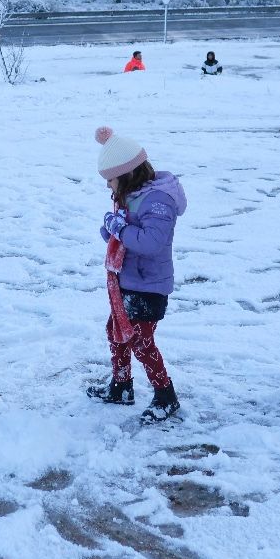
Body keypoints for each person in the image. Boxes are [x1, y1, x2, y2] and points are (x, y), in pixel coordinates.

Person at [86, 125, 188, 424]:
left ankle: (166, 395)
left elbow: (151, 242)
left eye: (110, 180)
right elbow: (120, 235)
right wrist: (111, 227)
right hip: (127, 280)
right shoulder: (132, 195)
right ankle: (121, 386)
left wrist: (122, 228)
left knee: (141, 341)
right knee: (116, 333)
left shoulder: (158, 201)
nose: (108, 187)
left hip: (149, 284)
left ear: (127, 174)